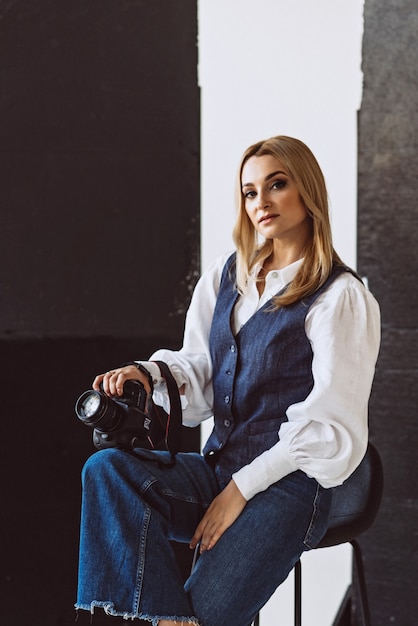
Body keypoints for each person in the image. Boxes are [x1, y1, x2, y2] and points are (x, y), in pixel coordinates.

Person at [75, 135, 380, 626]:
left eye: (276, 185)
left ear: (307, 191)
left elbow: (331, 428)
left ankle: (177, 618)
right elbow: (200, 374)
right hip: (220, 468)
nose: (261, 202)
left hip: (290, 487)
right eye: (250, 192)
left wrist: (238, 492)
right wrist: (149, 374)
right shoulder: (227, 275)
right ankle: (171, 619)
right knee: (108, 471)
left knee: (207, 613)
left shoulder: (340, 296)